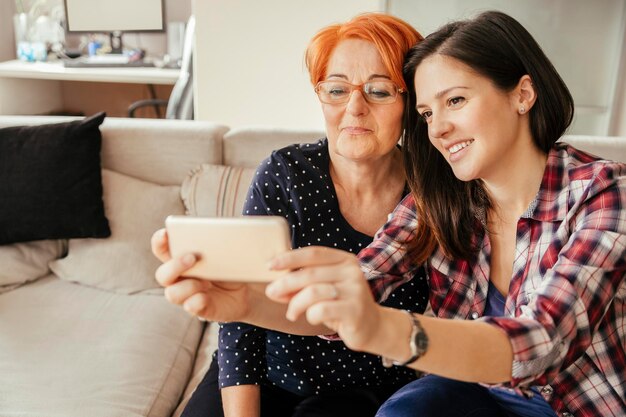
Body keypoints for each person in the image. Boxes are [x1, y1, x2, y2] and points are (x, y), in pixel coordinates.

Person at [153, 10, 626, 417]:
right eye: (427, 112)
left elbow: (543, 340)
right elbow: (360, 284)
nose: (439, 128)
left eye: (455, 101)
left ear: (522, 95)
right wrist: (246, 304)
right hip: (473, 391)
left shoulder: (603, 191)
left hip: (569, 402)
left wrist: (384, 328)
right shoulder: (445, 195)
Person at [178, 13, 428, 417]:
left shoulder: (432, 192)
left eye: (380, 91)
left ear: (412, 103)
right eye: (336, 89)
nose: (355, 108)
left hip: (367, 389)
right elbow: (240, 316)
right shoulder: (284, 174)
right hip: (266, 371)